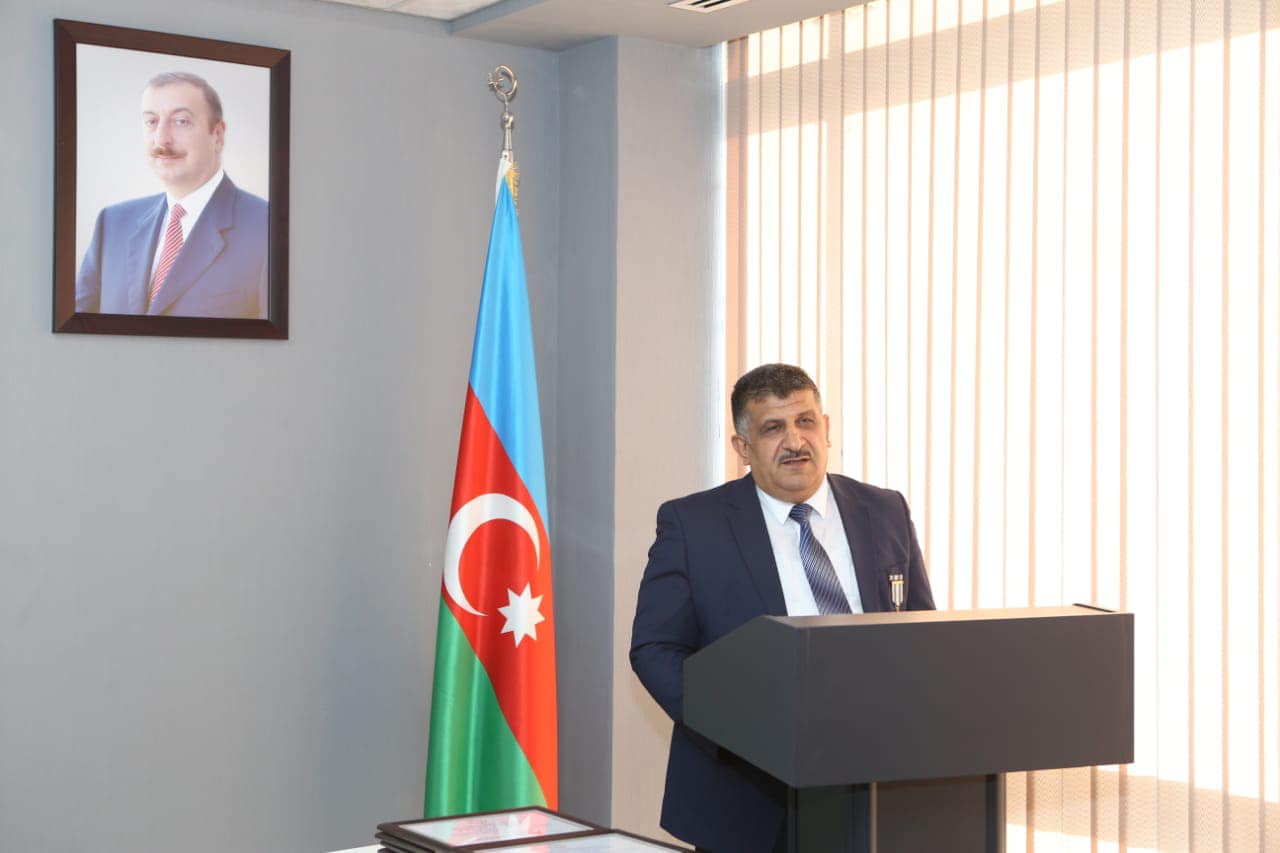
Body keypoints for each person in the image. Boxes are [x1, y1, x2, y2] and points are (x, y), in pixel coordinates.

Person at [630, 363, 936, 853]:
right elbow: (655, 648)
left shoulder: (885, 510)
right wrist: (734, 728)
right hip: (745, 795)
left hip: (875, 787)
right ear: (742, 447)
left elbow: (921, 632)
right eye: (773, 428)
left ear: (826, 427)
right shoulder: (693, 524)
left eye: (805, 421)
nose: (795, 441)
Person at [76, 71, 268, 318]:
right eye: (151, 121)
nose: (161, 139)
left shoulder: (266, 227)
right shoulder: (112, 224)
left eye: (181, 121)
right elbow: (76, 331)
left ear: (218, 135)